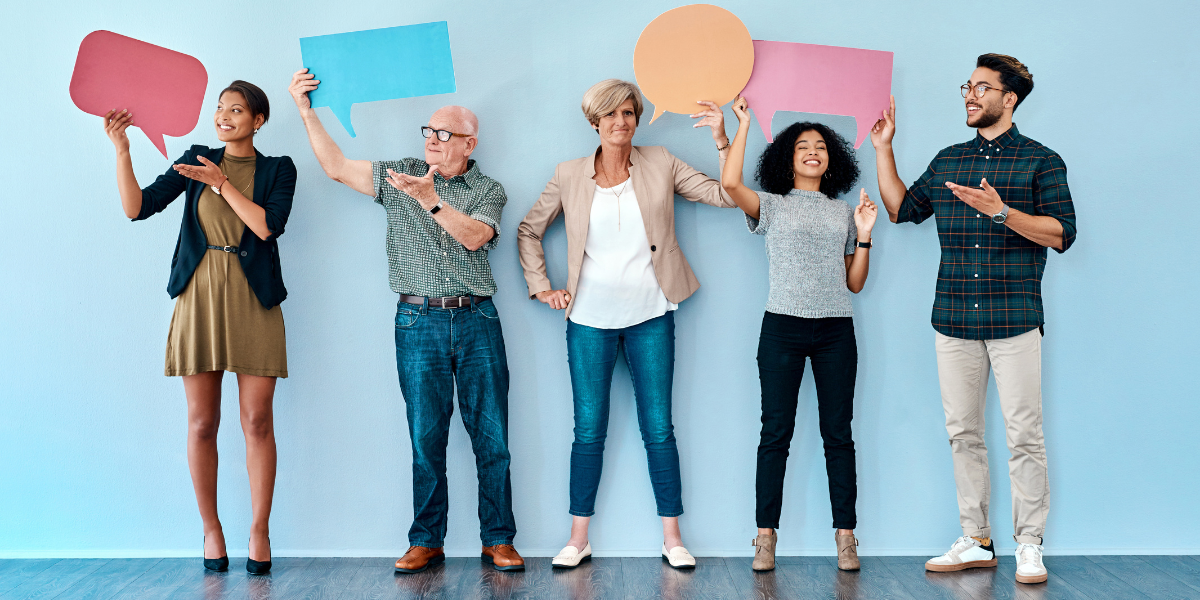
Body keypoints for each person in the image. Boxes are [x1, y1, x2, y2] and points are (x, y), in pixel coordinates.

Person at [287, 69, 522, 573]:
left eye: (444, 134)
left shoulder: (488, 189)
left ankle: (498, 539)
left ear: (468, 143)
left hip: (477, 318)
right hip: (417, 321)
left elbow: (476, 237)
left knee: (492, 435)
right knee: (425, 436)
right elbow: (335, 167)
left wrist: (428, 199)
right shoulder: (400, 174)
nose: (433, 140)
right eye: (429, 132)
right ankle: (425, 539)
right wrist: (306, 111)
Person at [870, 54, 1076, 585]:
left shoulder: (1041, 161)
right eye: (969, 85)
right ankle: (976, 539)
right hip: (954, 317)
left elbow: (1061, 233)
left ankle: (1029, 544)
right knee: (962, 432)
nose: (970, 94)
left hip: (1015, 319)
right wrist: (883, 147)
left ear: (1009, 99)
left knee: (1023, 434)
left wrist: (1001, 212)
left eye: (982, 88)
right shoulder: (949, 160)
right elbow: (900, 209)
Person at [517, 79, 737, 570]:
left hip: (651, 316)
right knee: (588, 431)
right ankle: (577, 539)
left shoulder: (661, 162)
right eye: (611, 115)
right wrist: (541, 286)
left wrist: (723, 138)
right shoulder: (569, 174)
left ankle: (673, 538)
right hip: (588, 321)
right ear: (594, 122)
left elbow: (726, 195)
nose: (621, 122)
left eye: (629, 114)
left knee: (659, 429)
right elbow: (529, 229)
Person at [102, 81, 295, 574]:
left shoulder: (278, 169)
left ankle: (259, 530)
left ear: (259, 121)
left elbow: (266, 227)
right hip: (199, 295)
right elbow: (137, 207)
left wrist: (221, 183)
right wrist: (123, 150)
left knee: (257, 421)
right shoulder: (194, 158)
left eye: (237, 110)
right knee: (202, 422)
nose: (224, 117)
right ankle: (211, 530)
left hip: (254, 299)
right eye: (220, 109)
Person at [695, 96, 877, 572]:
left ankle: (847, 537)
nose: (813, 151)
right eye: (802, 146)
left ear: (831, 158)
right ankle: (764, 538)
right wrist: (743, 123)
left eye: (820, 146)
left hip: (836, 330)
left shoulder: (843, 213)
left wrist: (864, 233)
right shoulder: (772, 206)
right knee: (775, 433)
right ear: (788, 158)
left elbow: (854, 283)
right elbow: (731, 182)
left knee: (838, 434)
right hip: (782, 329)